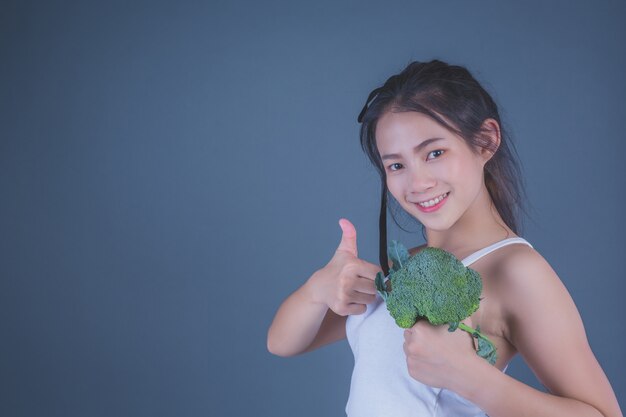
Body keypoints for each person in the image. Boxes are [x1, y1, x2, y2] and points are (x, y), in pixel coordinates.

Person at [266, 60, 622, 417]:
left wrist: (471, 378)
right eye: (396, 165)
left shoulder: (515, 270)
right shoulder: (408, 267)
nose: (418, 183)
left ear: (486, 140)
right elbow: (282, 343)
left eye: (434, 153)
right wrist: (318, 289)